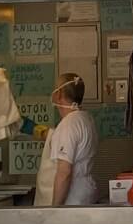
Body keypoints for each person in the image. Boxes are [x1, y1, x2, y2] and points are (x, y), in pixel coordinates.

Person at [39, 73, 100, 206]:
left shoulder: (68, 124)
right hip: (86, 193)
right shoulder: (86, 118)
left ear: (59, 94)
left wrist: (55, 209)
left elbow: (64, 172)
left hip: (73, 199)